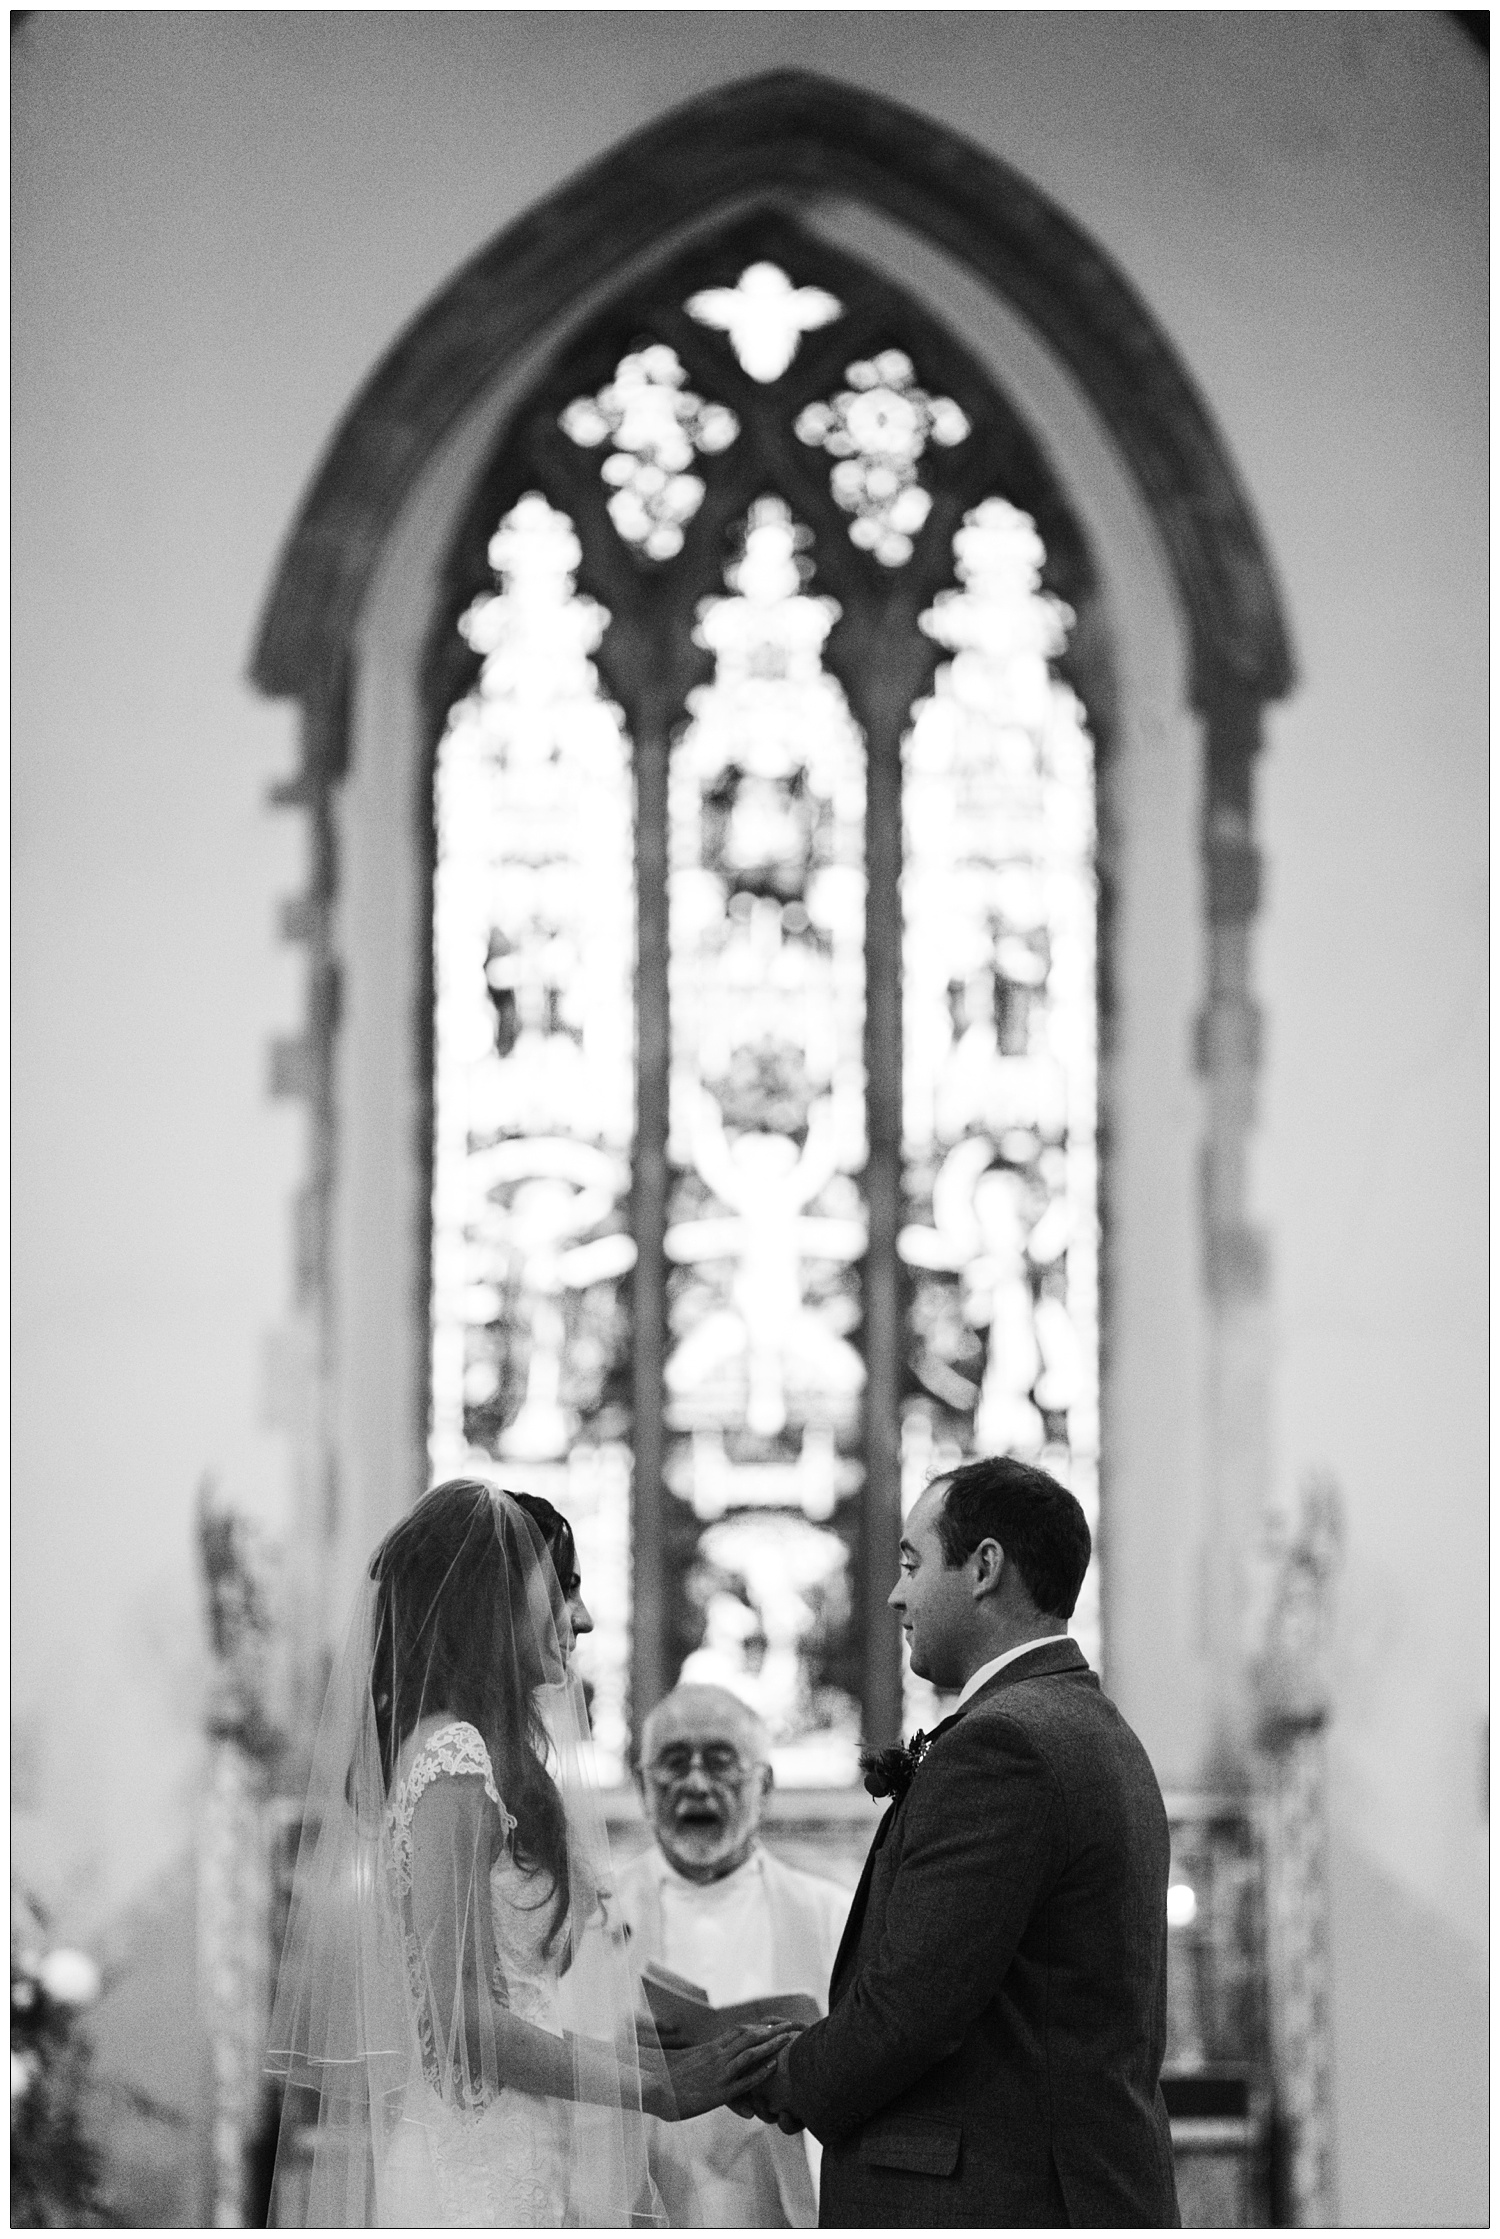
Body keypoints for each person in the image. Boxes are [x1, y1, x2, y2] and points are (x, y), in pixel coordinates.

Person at [266, 1480, 795, 2226]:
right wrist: (654, 2089)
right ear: (494, 1599)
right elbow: (463, 2029)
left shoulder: (487, 1758)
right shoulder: (453, 1758)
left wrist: (656, 2063)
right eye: (562, 1588)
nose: (580, 1617)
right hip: (471, 2170)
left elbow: (519, 2008)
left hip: (517, 2146)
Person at [735, 1456, 1181, 2229]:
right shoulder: (1087, 1725)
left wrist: (780, 2075)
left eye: (912, 1562)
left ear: (984, 1567)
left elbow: (912, 2009)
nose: (894, 1593)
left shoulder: (1006, 1745)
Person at [616, 1684, 852, 2227]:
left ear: (765, 1785)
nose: (696, 1783)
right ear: (641, 1785)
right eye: (674, 1763)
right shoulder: (589, 1918)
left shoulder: (831, 1916)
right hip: (637, 2201)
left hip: (779, 2203)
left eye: (720, 1763)